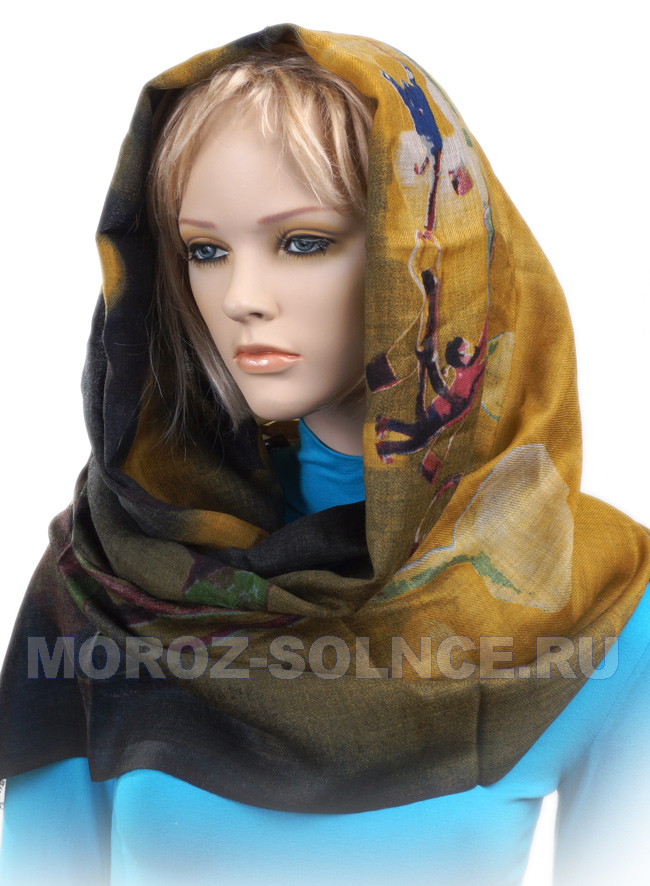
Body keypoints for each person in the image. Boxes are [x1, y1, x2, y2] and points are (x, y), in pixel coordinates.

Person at [1, 24, 649, 886]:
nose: (242, 297)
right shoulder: (109, 576)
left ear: (427, 256)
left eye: (303, 241)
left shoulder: (595, 598)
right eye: (206, 251)